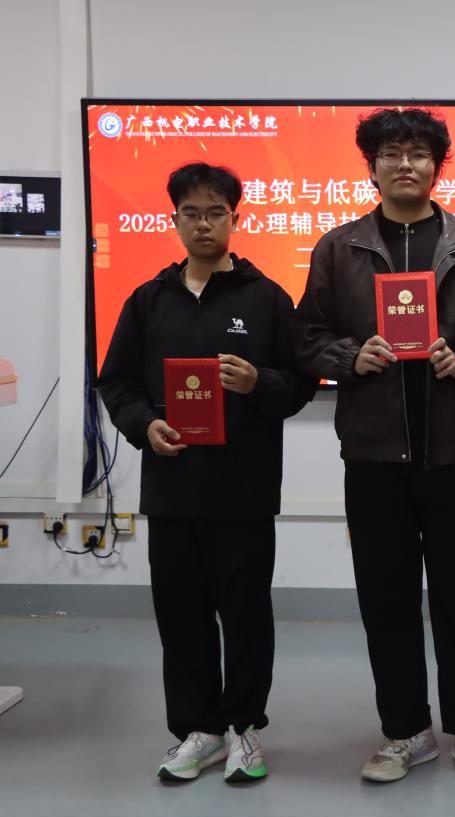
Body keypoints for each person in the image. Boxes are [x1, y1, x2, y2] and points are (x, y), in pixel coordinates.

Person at [290, 108, 455, 784]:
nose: (405, 164)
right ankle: (405, 731)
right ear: (372, 166)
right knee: (385, 600)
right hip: (373, 455)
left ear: (437, 166)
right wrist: (349, 356)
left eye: (418, 153)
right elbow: (306, 337)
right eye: (391, 153)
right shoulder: (340, 248)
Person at [99, 162, 317, 783]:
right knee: (181, 616)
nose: (203, 224)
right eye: (191, 213)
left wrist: (258, 381)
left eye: (215, 212)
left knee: (245, 615)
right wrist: (145, 426)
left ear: (234, 219)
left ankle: (245, 728)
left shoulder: (266, 298)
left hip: (244, 490)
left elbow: (300, 383)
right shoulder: (148, 301)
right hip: (172, 489)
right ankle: (199, 731)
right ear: (174, 221)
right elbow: (117, 383)